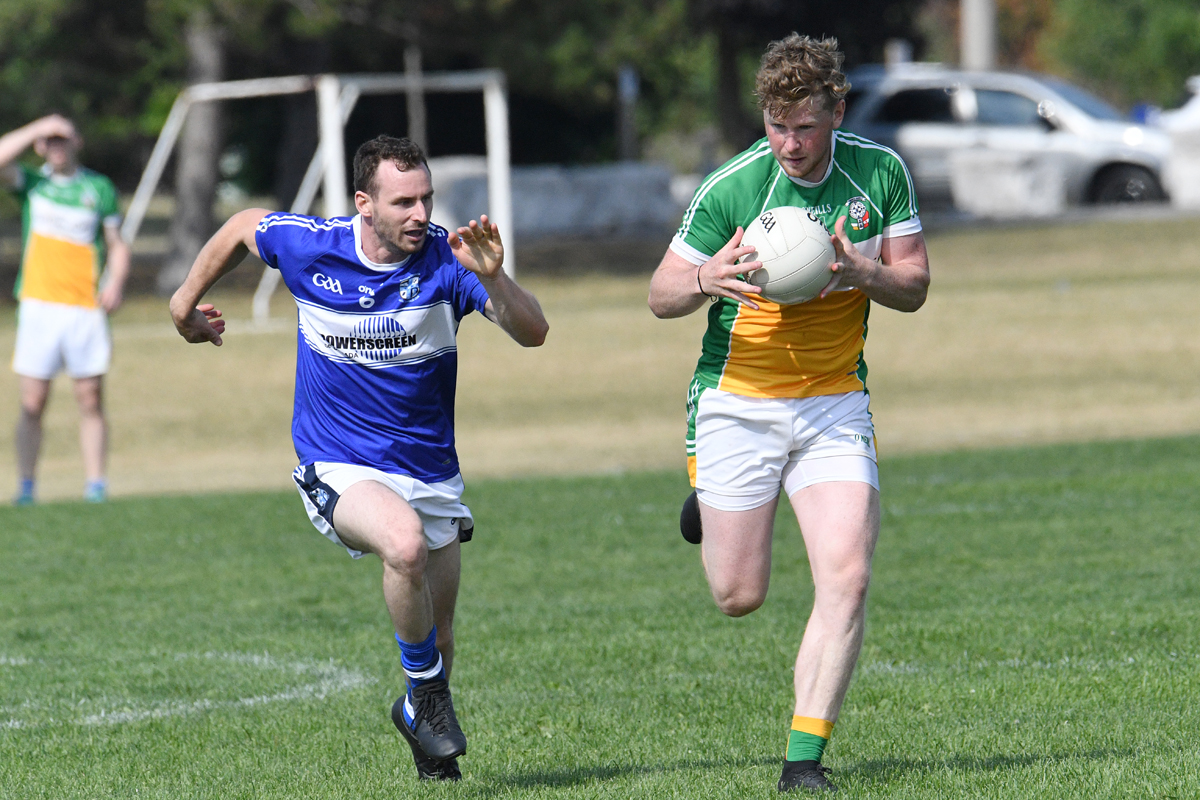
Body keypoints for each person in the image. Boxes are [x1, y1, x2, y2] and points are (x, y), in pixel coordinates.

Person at [169, 135, 548, 783]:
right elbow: (239, 226)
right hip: (336, 463)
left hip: (430, 472)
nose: (420, 214)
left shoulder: (450, 262)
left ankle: (424, 729)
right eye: (404, 202)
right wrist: (183, 307)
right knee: (401, 547)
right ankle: (426, 699)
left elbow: (532, 331)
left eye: (426, 198)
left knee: (440, 635)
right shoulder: (312, 244)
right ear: (364, 204)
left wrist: (492, 276)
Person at [648, 34, 929, 793]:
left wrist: (864, 271)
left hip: (834, 402)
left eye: (804, 126)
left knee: (848, 575)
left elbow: (914, 286)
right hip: (737, 405)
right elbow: (660, 295)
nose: (790, 144)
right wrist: (707, 276)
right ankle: (713, 503)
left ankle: (803, 760)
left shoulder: (879, 173)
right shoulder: (736, 187)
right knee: (739, 597)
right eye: (776, 126)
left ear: (836, 111)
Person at [0, 114, 130, 504]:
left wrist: (116, 282)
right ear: (41, 146)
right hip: (39, 305)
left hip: (83, 307)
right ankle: (26, 485)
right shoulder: (33, 183)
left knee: (89, 397)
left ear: (77, 142)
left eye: (63, 139)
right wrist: (37, 127)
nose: (56, 147)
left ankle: (95, 484)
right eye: (49, 141)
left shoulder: (97, 187)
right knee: (33, 401)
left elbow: (117, 243)